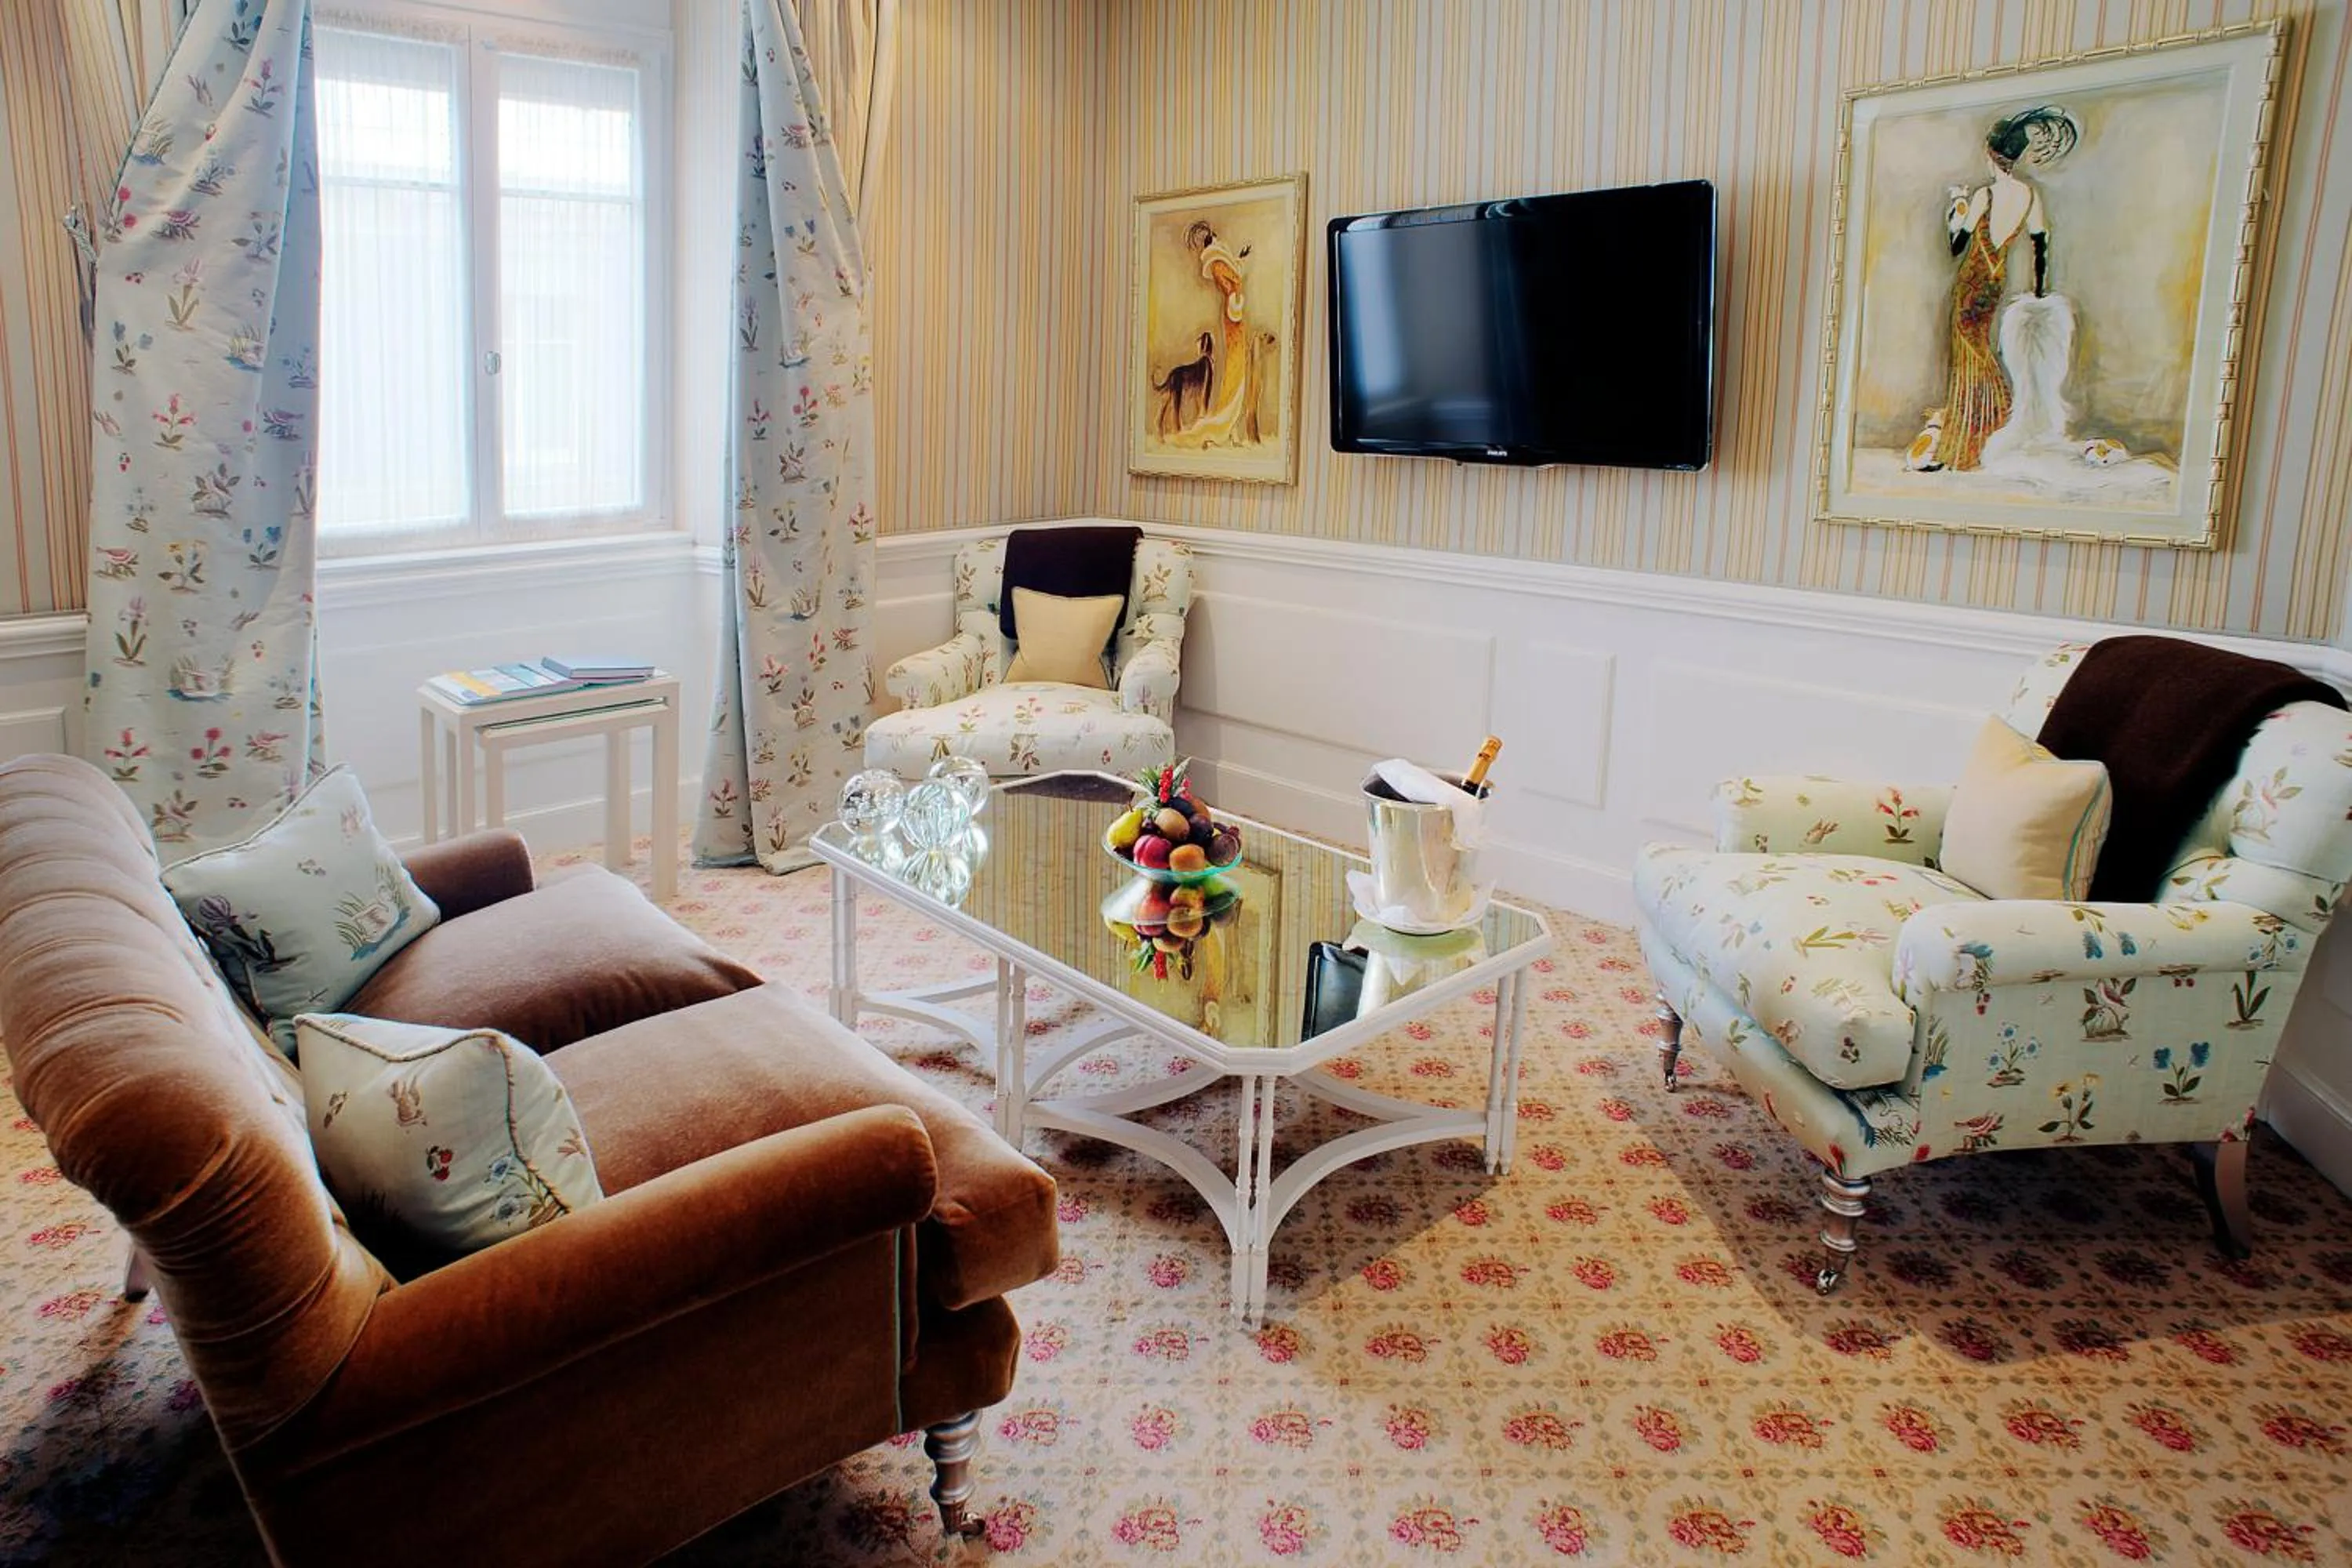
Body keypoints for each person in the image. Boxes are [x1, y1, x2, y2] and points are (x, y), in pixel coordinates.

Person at [1918, 105, 2078, 472]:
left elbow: (1957, 246)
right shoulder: (2030, 196)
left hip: (1971, 281)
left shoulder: (1984, 197)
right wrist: (2038, 292)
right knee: (1980, 351)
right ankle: (1985, 430)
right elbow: (2041, 245)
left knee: (1969, 356)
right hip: (1995, 282)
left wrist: (1956, 210)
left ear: (1991, 155)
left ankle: (1969, 442)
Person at [1169, 220, 1254, 448]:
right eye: (1214, 237)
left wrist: (1240, 261)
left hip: (1234, 315)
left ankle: (1231, 424)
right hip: (1233, 315)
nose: (1218, 238)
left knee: (1238, 368)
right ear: (1212, 242)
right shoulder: (1217, 264)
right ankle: (1226, 423)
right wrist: (1236, 299)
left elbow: (1233, 276)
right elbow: (1230, 288)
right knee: (1236, 369)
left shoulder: (1220, 262)